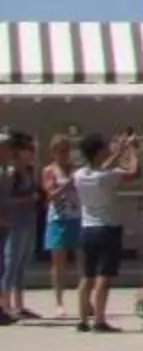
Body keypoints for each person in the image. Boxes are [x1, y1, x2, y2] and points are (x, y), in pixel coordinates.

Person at [72, 131, 141, 333]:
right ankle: (100, 320)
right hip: (107, 229)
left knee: (87, 276)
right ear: (97, 152)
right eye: (103, 148)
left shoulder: (79, 175)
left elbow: (100, 167)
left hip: (87, 229)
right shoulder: (108, 177)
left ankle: (83, 320)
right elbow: (134, 172)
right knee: (104, 276)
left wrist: (119, 151)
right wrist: (133, 151)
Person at [0, 133, 41, 321]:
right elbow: (8, 199)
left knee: (22, 264)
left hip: (28, 219)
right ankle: (5, 304)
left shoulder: (29, 170)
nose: (30, 152)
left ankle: (19, 304)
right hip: (14, 221)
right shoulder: (11, 173)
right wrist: (28, 199)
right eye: (26, 149)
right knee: (11, 263)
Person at [41, 133, 82, 313]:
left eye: (67, 151)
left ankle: (85, 299)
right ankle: (59, 301)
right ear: (54, 153)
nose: (65, 155)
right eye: (61, 151)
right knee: (59, 262)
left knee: (83, 260)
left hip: (77, 216)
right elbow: (50, 194)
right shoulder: (49, 170)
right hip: (58, 218)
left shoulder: (75, 169)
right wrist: (67, 185)